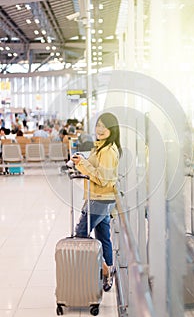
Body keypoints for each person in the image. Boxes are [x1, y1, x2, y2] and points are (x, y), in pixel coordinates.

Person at [71, 112, 122, 292]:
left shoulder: (108, 151)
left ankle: (106, 271)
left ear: (112, 130)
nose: (100, 129)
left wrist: (83, 164)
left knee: (80, 234)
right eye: (98, 125)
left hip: (100, 199)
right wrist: (82, 162)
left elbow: (103, 179)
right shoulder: (101, 147)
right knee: (103, 236)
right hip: (101, 198)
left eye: (104, 126)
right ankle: (107, 274)